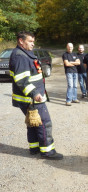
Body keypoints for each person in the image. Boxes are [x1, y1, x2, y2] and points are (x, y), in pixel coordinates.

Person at [9, 31, 63, 160]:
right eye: (30, 41)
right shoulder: (20, 56)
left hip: (30, 98)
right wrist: (34, 93)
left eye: (33, 41)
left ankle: (34, 148)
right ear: (21, 41)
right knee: (44, 123)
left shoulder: (24, 53)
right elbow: (21, 79)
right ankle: (48, 151)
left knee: (33, 123)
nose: (33, 44)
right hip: (31, 99)